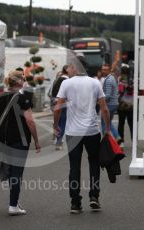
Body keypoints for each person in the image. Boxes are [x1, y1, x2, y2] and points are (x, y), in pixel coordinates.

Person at [53, 62, 110, 214]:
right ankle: (94, 197)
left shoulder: (66, 83)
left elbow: (58, 107)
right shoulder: (95, 83)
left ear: (76, 68)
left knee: (74, 166)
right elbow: (104, 108)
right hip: (92, 131)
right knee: (94, 163)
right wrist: (108, 129)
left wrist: (55, 125)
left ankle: (75, 203)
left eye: (71, 67)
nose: (69, 69)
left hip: (73, 132)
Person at [0, 70, 41, 216]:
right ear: (19, 82)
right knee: (16, 173)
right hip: (20, 140)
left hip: (3, 140)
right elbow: (30, 121)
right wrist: (37, 141)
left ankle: (14, 201)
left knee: (9, 170)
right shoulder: (23, 98)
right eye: (23, 79)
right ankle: (13, 205)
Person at [51, 65, 70, 150]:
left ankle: (56, 137)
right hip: (63, 103)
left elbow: (52, 92)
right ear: (67, 70)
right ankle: (58, 142)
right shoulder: (66, 80)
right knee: (62, 122)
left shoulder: (57, 79)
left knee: (57, 121)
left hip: (55, 102)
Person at [100, 63, 121, 142]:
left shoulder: (108, 80)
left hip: (109, 105)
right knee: (108, 122)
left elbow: (108, 96)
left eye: (105, 70)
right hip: (114, 104)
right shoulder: (112, 78)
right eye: (102, 69)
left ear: (109, 70)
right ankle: (117, 137)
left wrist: (100, 101)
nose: (103, 71)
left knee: (104, 123)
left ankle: (106, 141)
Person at [117, 66, 134, 147]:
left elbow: (120, 91)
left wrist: (124, 86)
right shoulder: (132, 79)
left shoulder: (121, 79)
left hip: (122, 105)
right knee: (131, 124)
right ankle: (133, 141)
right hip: (131, 105)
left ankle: (121, 142)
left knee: (121, 123)